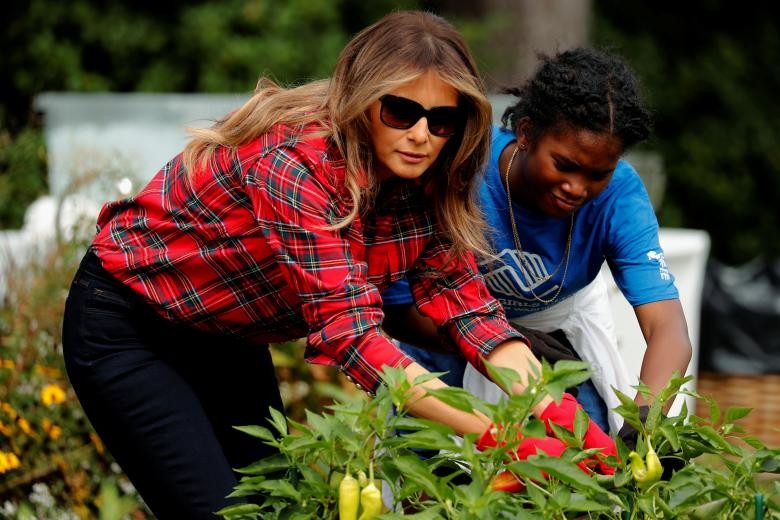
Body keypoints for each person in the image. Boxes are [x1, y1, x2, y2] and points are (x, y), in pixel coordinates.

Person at [61, 12, 616, 518]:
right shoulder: (297, 163)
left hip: (226, 336)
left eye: (442, 119)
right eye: (402, 111)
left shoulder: (428, 179)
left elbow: (466, 304)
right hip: (130, 324)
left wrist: (555, 408)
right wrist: (497, 434)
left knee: (274, 503)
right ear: (363, 100)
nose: (421, 134)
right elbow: (353, 337)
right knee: (216, 512)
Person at [382, 47, 693, 434]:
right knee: (431, 476)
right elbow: (395, 307)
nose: (577, 188)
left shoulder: (620, 198)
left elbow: (668, 328)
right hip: (441, 339)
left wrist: (648, 420)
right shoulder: (463, 165)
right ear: (527, 133)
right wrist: (503, 341)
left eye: (598, 174)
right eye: (564, 165)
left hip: (555, 345)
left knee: (578, 467)